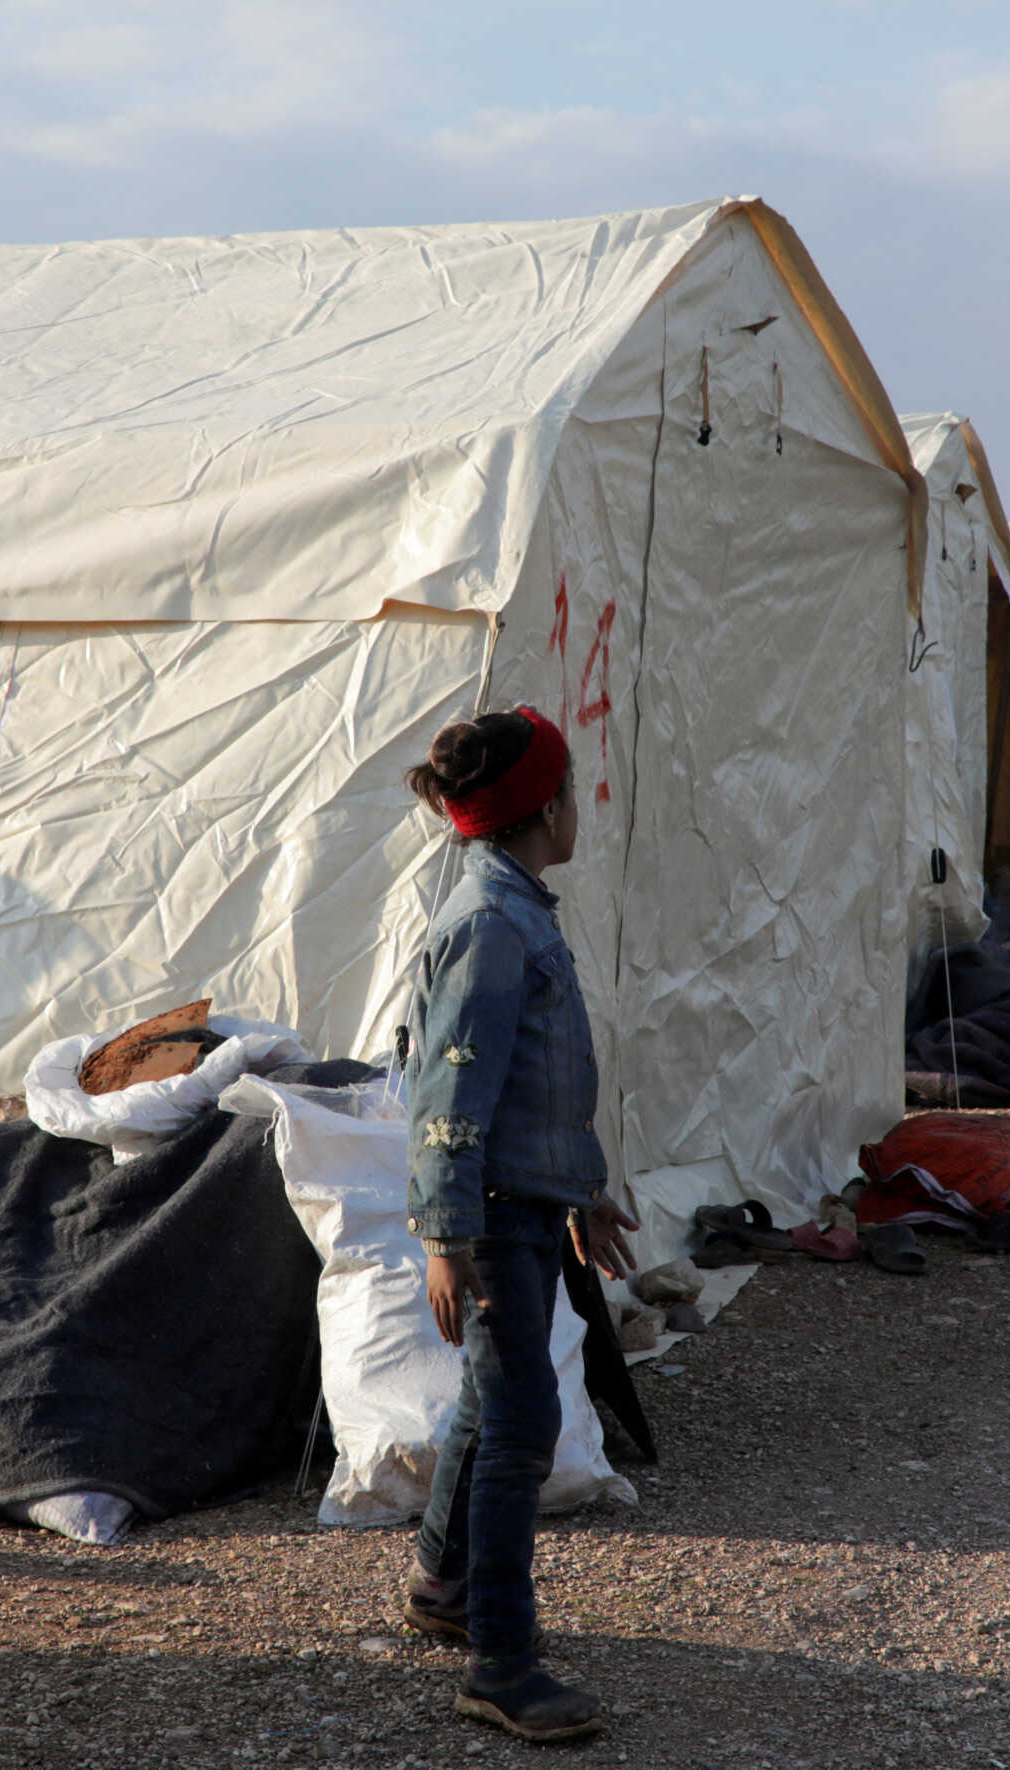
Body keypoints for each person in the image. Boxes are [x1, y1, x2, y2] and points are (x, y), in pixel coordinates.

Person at [398, 704, 639, 1746]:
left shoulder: (520, 907)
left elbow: (541, 1083)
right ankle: (499, 1661)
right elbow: (448, 1096)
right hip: (489, 1218)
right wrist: (444, 1239)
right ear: (544, 806)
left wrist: (580, 1188)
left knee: (489, 1406)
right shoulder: (489, 927)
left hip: (526, 1206)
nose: (579, 803)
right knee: (520, 1424)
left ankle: (444, 1585)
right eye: (573, 787)